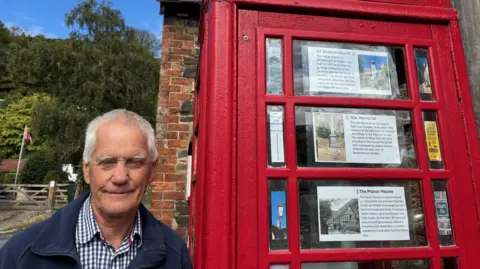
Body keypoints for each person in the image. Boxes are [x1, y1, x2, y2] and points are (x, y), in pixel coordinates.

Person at [0, 109, 193, 269]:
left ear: (152, 171)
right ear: (87, 170)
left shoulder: (176, 255)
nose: (119, 177)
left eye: (135, 162)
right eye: (107, 162)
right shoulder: (19, 254)